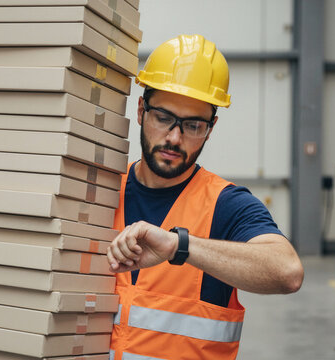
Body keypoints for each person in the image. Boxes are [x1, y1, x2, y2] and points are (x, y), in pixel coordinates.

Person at [106, 34, 304, 360]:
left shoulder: (225, 205)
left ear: (210, 128)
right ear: (142, 110)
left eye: (193, 125)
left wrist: (179, 246)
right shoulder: (103, 192)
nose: (174, 137)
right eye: (163, 117)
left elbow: (288, 273)